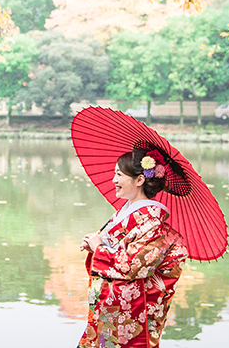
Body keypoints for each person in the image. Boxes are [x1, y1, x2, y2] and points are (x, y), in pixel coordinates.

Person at [78, 147, 188, 348]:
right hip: (111, 307)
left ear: (139, 180)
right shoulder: (127, 212)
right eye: (114, 174)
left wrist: (100, 248)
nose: (114, 180)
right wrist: (95, 247)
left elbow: (133, 266)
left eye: (119, 175)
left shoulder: (151, 221)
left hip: (129, 312)